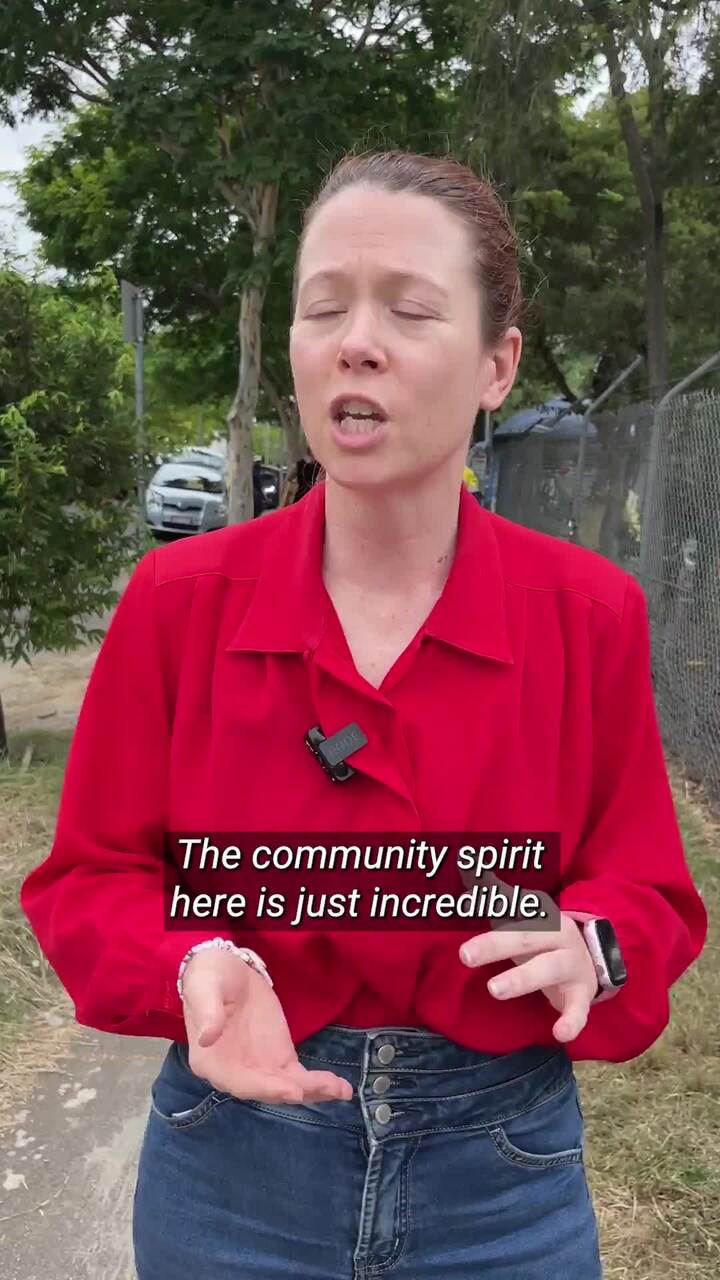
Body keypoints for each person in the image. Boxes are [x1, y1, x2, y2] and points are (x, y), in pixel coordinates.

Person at [20, 150, 706, 1279]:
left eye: (410, 309)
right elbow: (89, 878)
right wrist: (188, 960)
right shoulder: (180, 604)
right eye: (325, 305)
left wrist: (594, 946)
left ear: (498, 363)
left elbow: (647, 894)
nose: (358, 339)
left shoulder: (588, 614)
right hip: (231, 1167)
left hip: (502, 1175)